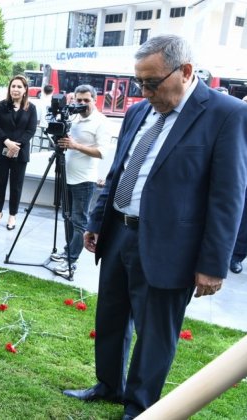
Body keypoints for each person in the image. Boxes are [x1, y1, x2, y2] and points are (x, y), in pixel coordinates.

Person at [62, 35, 247, 419]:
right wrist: (98, 221)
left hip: (171, 246)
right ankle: (109, 384)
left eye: (151, 83)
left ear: (186, 72)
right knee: (110, 314)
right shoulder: (138, 110)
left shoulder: (226, 114)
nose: (143, 92)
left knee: (156, 331)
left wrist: (213, 263)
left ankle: (139, 405)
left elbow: (229, 196)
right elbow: (119, 170)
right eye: (138, 83)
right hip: (119, 232)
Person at [51, 84, 111, 276]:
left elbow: (102, 152)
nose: (82, 104)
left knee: (79, 221)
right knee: (67, 217)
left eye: (86, 100)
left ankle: (72, 260)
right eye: (79, 100)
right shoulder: (74, 117)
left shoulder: (101, 121)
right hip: (66, 176)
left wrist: (75, 145)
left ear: (94, 100)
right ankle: (68, 251)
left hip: (84, 180)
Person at [0, 75, 38, 231]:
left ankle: (12, 215)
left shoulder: (31, 108)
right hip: (1, 150)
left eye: (19, 87)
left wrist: (17, 145)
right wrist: (7, 142)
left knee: (16, 186)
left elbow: (31, 130)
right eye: (13, 86)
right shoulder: (1, 106)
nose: (15, 89)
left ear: (25, 90)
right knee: (0, 183)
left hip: (20, 152)